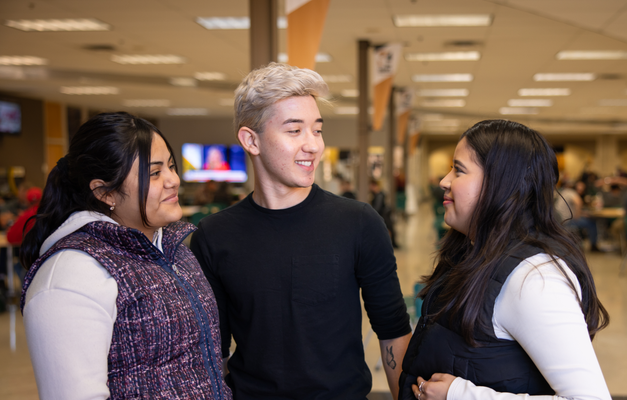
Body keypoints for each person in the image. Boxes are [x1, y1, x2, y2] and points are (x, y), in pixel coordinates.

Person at [190, 63, 412, 400]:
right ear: (251, 140)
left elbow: (393, 332)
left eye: (317, 130)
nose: (313, 146)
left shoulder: (359, 222)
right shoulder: (214, 235)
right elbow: (214, 351)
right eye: (295, 131)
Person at [19, 112, 232, 400]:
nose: (173, 180)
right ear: (105, 193)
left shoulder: (174, 250)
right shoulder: (72, 272)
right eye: (155, 173)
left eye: (171, 166)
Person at [399, 120, 610, 400]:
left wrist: (460, 395)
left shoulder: (534, 278)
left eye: (458, 170)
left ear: (500, 185)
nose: (444, 181)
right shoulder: (474, 251)